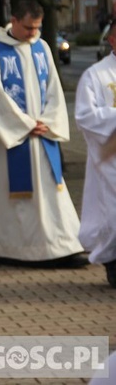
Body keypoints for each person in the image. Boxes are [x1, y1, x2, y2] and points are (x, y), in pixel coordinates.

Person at [0, 0, 87, 268]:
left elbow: (54, 88)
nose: (33, 33)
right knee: (2, 191)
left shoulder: (42, 47)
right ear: (13, 20)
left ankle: (56, 246)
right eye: (28, 27)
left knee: (48, 189)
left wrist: (47, 121)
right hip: (7, 138)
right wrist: (24, 124)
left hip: (40, 134)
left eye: (37, 27)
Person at [75, 23, 116, 288]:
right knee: (113, 214)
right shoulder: (96, 75)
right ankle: (113, 264)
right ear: (112, 39)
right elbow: (85, 115)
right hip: (111, 161)